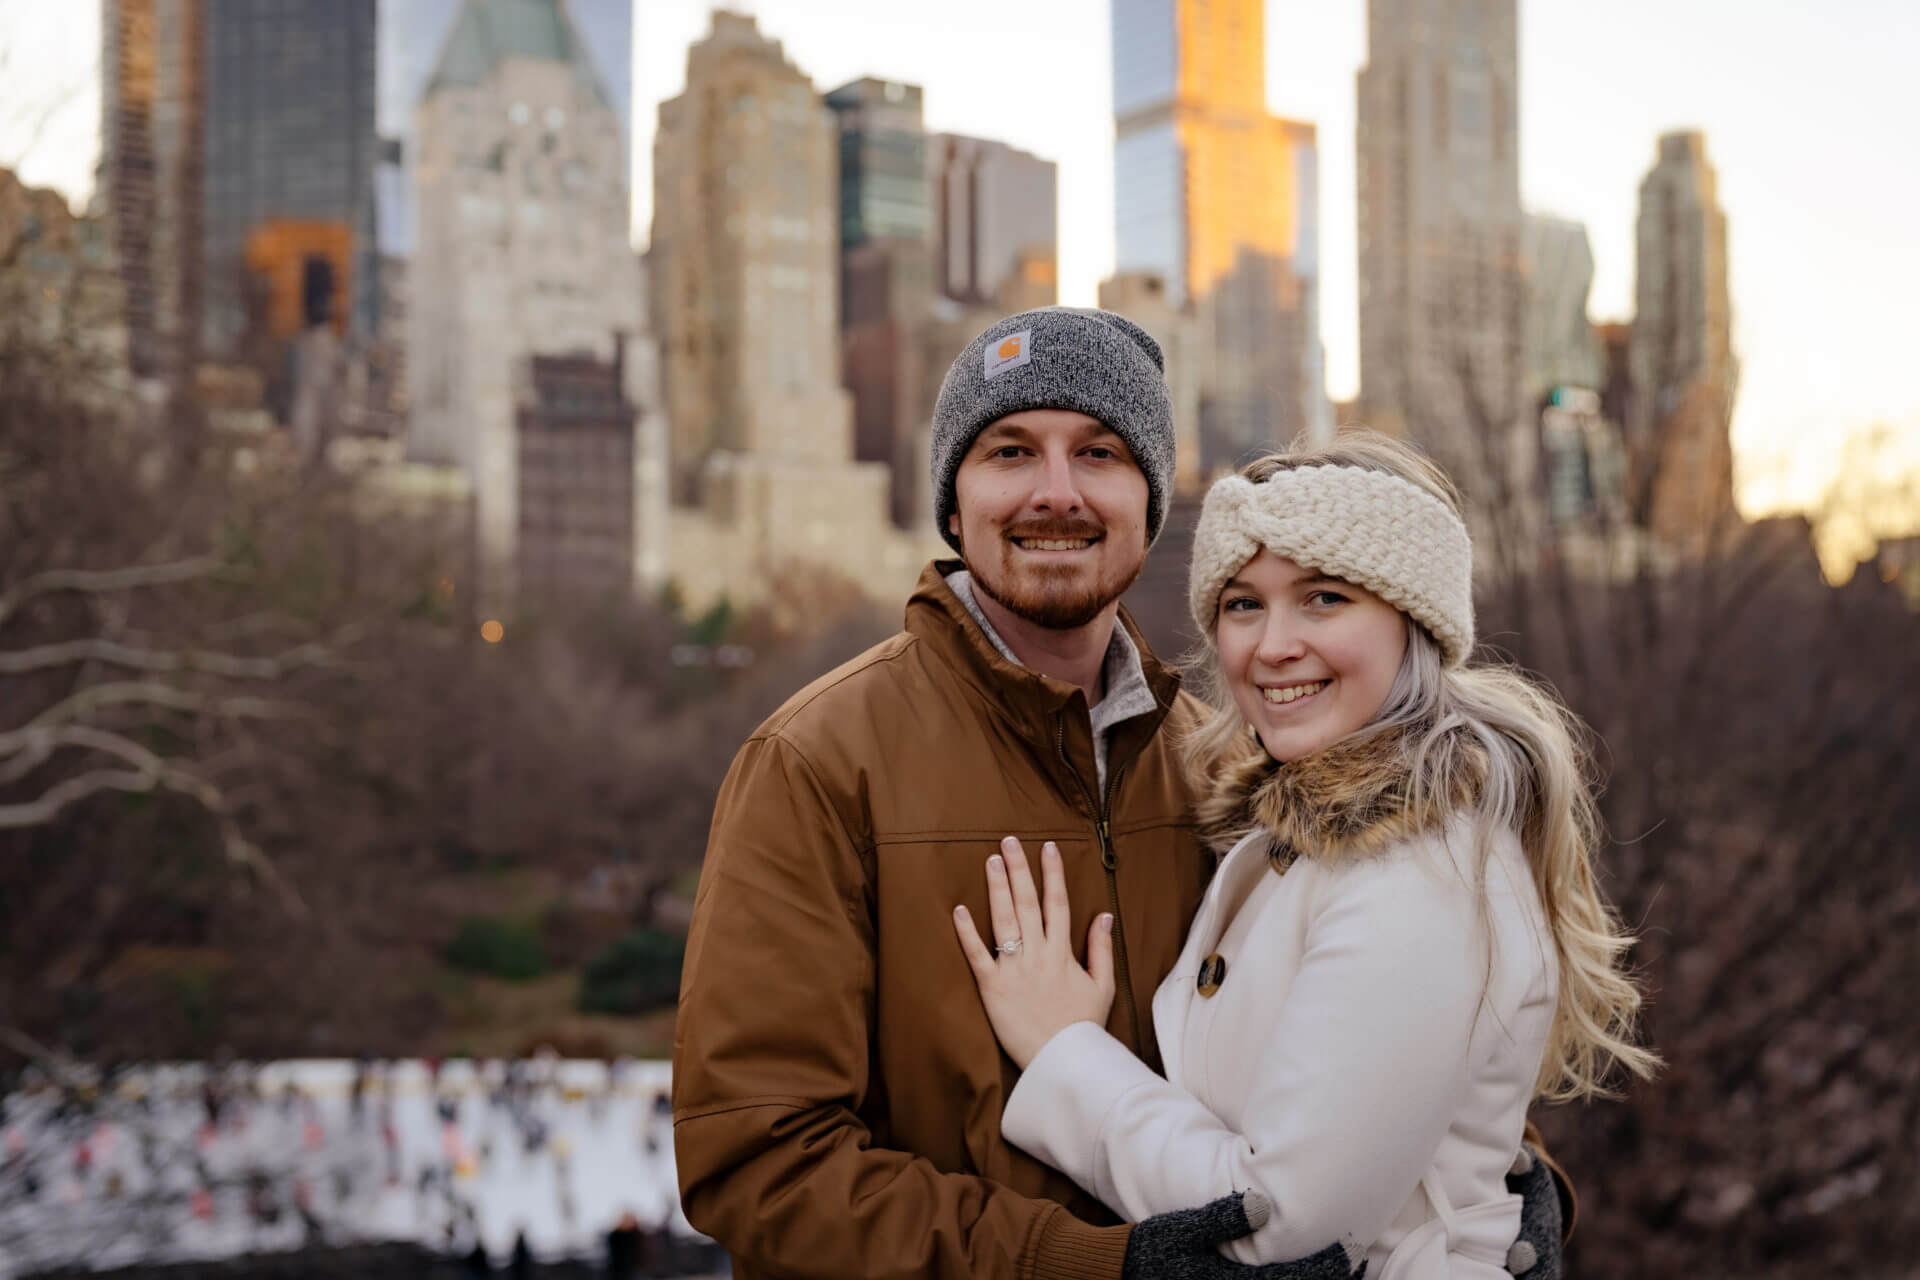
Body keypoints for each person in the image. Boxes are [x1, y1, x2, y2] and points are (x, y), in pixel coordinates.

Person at [672, 308, 1565, 1279]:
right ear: (953, 500)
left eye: (1098, 452)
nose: (1056, 492)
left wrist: (1485, 1182)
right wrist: (1094, 1265)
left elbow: (1329, 1059)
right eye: (1011, 450)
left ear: (1149, 499)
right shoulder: (817, 762)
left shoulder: (1221, 772)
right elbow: (756, 1160)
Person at [953, 433, 1658, 1275]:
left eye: (1323, 598)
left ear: (1414, 620)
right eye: (1244, 604)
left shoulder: (1418, 873)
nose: (1273, 645)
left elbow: (1277, 1225)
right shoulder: (1303, 826)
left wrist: (1067, 1051)